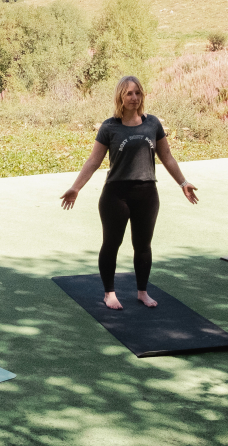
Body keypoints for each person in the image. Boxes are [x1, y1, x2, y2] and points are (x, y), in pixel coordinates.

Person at [60, 76, 198, 310]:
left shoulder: (152, 123)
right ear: (120, 98)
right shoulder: (109, 127)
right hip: (116, 194)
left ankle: (142, 292)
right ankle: (109, 293)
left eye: (138, 93)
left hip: (147, 193)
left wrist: (182, 182)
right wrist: (76, 187)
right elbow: (94, 160)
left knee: (143, 245)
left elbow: (166, 156)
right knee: (112, 243)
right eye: (129, 93)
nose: (134, 98)